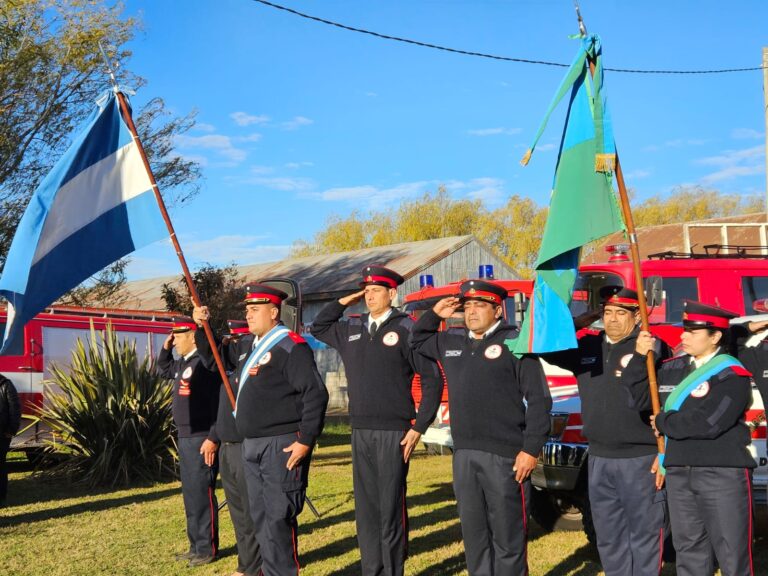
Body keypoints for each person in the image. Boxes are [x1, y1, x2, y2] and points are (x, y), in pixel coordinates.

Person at [411, 279, 551, 576]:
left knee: (508, 538)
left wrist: (530, 450)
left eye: (480, 305)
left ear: (498, 311)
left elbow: (540, 400)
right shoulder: (452, 341)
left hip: (506, 457)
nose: (472, 312)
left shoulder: (515, 343)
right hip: (464, 455)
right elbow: (417, 339)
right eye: (468, 306)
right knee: (475, 537)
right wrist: (435, 314)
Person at [310, 264, 443, 576]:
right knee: (367, 508)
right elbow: (318, 327)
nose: (369, 296)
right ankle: (372, 569)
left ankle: (392, 570)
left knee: (390, 506)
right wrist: (345, 300)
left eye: (375, 291)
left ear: (391, 293)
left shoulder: (407, 328)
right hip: (360, 429)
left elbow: (432, 379)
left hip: (394, 431)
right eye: (366, 291)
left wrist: (419, 428)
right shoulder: (351, 328)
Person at [544, 286, 668, 576]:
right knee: (609, 535)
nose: (612, 319)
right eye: (607, 312)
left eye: (620, 313)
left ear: (637, 316)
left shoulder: (650, 345)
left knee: (645, 534)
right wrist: (580, 321)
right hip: (599, 457)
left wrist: (641, 354)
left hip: (640, 457)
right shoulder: (588, 346)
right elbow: (545, 346)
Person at [625, 300, 755, 576]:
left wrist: (664, 422)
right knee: (689, 550)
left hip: (721, 471)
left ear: (715, 336)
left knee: (732, 553)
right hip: (679, 471)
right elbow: (637, 399)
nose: (684, 336)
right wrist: (639, 358)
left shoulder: (732, 374)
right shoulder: (672, 367)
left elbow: (709, 423)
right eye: (684, 330)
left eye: (693, 332)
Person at [221, 284, 328, 576]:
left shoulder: (289, 346)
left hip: (280, 445)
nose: (248, 314)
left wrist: (306, 440)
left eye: (255, 309)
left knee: (278, 517)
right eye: (247, 309)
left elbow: (315, 394)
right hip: (252, 444)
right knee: (260, 517)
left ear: (273, 312)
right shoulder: (253, 347)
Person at [190, 316, 263, 576]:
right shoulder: (232, 361)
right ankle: (246, 564)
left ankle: (256, 566)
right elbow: (211, 357)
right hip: (228, 445)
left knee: (253, 511)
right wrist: (202, 326)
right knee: (238, 512)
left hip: (247, 443)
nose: (231, 343)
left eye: (235, 338)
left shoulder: (256, 356)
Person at [156, 317, 221, 568]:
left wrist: (213, 437)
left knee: (202, 495)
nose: (174, 341)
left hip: (201, 438)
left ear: (193, 336)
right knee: (191, 496)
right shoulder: (184, 362)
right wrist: (165, 348)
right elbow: (163, 370)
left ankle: (206, 548)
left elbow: (218, 404)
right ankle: (195, 545)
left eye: (178, 336)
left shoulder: (204, 364)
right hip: (186, 436)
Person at [0, 373, 21, 507]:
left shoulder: (6, 385)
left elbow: (15, 409)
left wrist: (11, 430)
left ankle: (1, 496)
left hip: (2, 434)